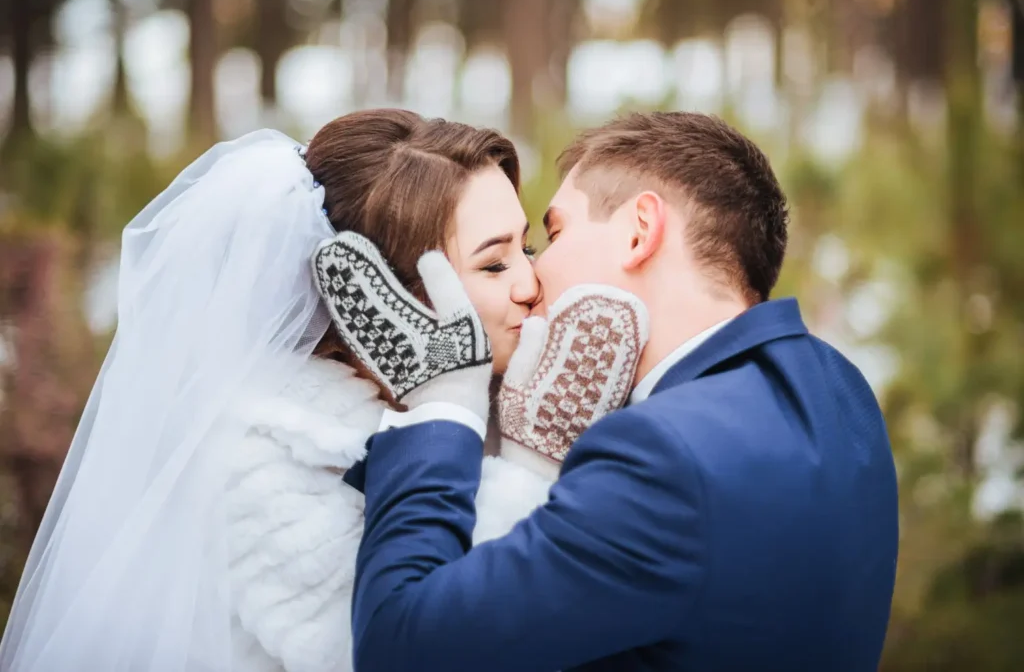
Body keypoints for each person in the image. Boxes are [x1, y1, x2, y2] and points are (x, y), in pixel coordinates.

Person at [0, 110, 647, 672]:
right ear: (387, 297)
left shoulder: (479, 396)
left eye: (526, 246)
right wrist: (533, 464)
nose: (532, 284)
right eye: (493, 262)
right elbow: (425, 648)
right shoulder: (255, 464)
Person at [324, 111, 900, 671]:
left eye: (552, 234)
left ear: (639, 232)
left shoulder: (662, 457)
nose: (536, 275)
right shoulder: (836, 386)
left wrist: (443, 406)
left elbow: (398, 647)